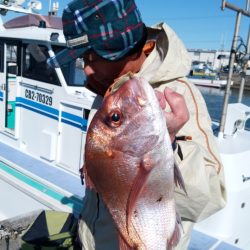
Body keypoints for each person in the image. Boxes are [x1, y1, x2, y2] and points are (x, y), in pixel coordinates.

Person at [48, 0, 226, 249]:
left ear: (120, 50)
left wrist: (169, 145)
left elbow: (209, 199)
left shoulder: (177, 96)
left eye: (90, 57)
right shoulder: (112, 87)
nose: (86, 70)